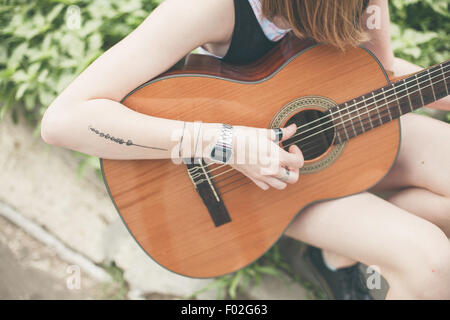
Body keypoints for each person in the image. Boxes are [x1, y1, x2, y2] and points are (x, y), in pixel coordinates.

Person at [40, 0, 450, 299]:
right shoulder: (208, 7)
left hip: (346, 135)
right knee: (431, 262)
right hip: (253, 187)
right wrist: (223, 143)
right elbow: (64, 120)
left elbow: (380, 73)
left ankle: (340, 254)